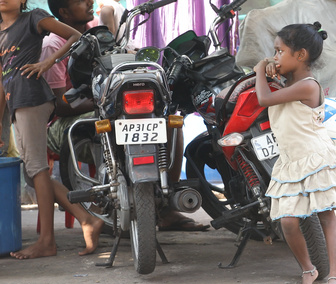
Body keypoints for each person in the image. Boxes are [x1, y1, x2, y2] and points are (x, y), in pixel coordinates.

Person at [44, 0, 209, 232]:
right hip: (64, 124)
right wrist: (105, 101)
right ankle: (105, 206)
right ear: (64, 12)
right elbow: (60, 104)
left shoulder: (100, 34)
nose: (89, 2)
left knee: (168, 121)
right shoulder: (53, 45)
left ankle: (167, 202)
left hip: (106, 109)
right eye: (80, 1)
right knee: (111, 122)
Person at [253, 22, 336, 284]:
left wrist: (259, 69)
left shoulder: (308, 86)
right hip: (291, 161)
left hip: (315, 157)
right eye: (274, 53)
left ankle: (335, 276)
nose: (275, 58)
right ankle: (308, 268)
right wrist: (270, 64)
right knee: (288, 222)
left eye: (279, 51)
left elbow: (264, 99)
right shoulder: (287, 83)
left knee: (328, 217)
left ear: (300, 55)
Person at [0, 0, 104, 259]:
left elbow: (75, 36)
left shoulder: (33, 17)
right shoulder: (1, 31)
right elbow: (2, 79)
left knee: (36, 168)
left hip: (33, 99)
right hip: (17, 102)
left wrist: (47, 64)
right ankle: (86, 218)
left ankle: (47, 241)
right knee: (33, 171)